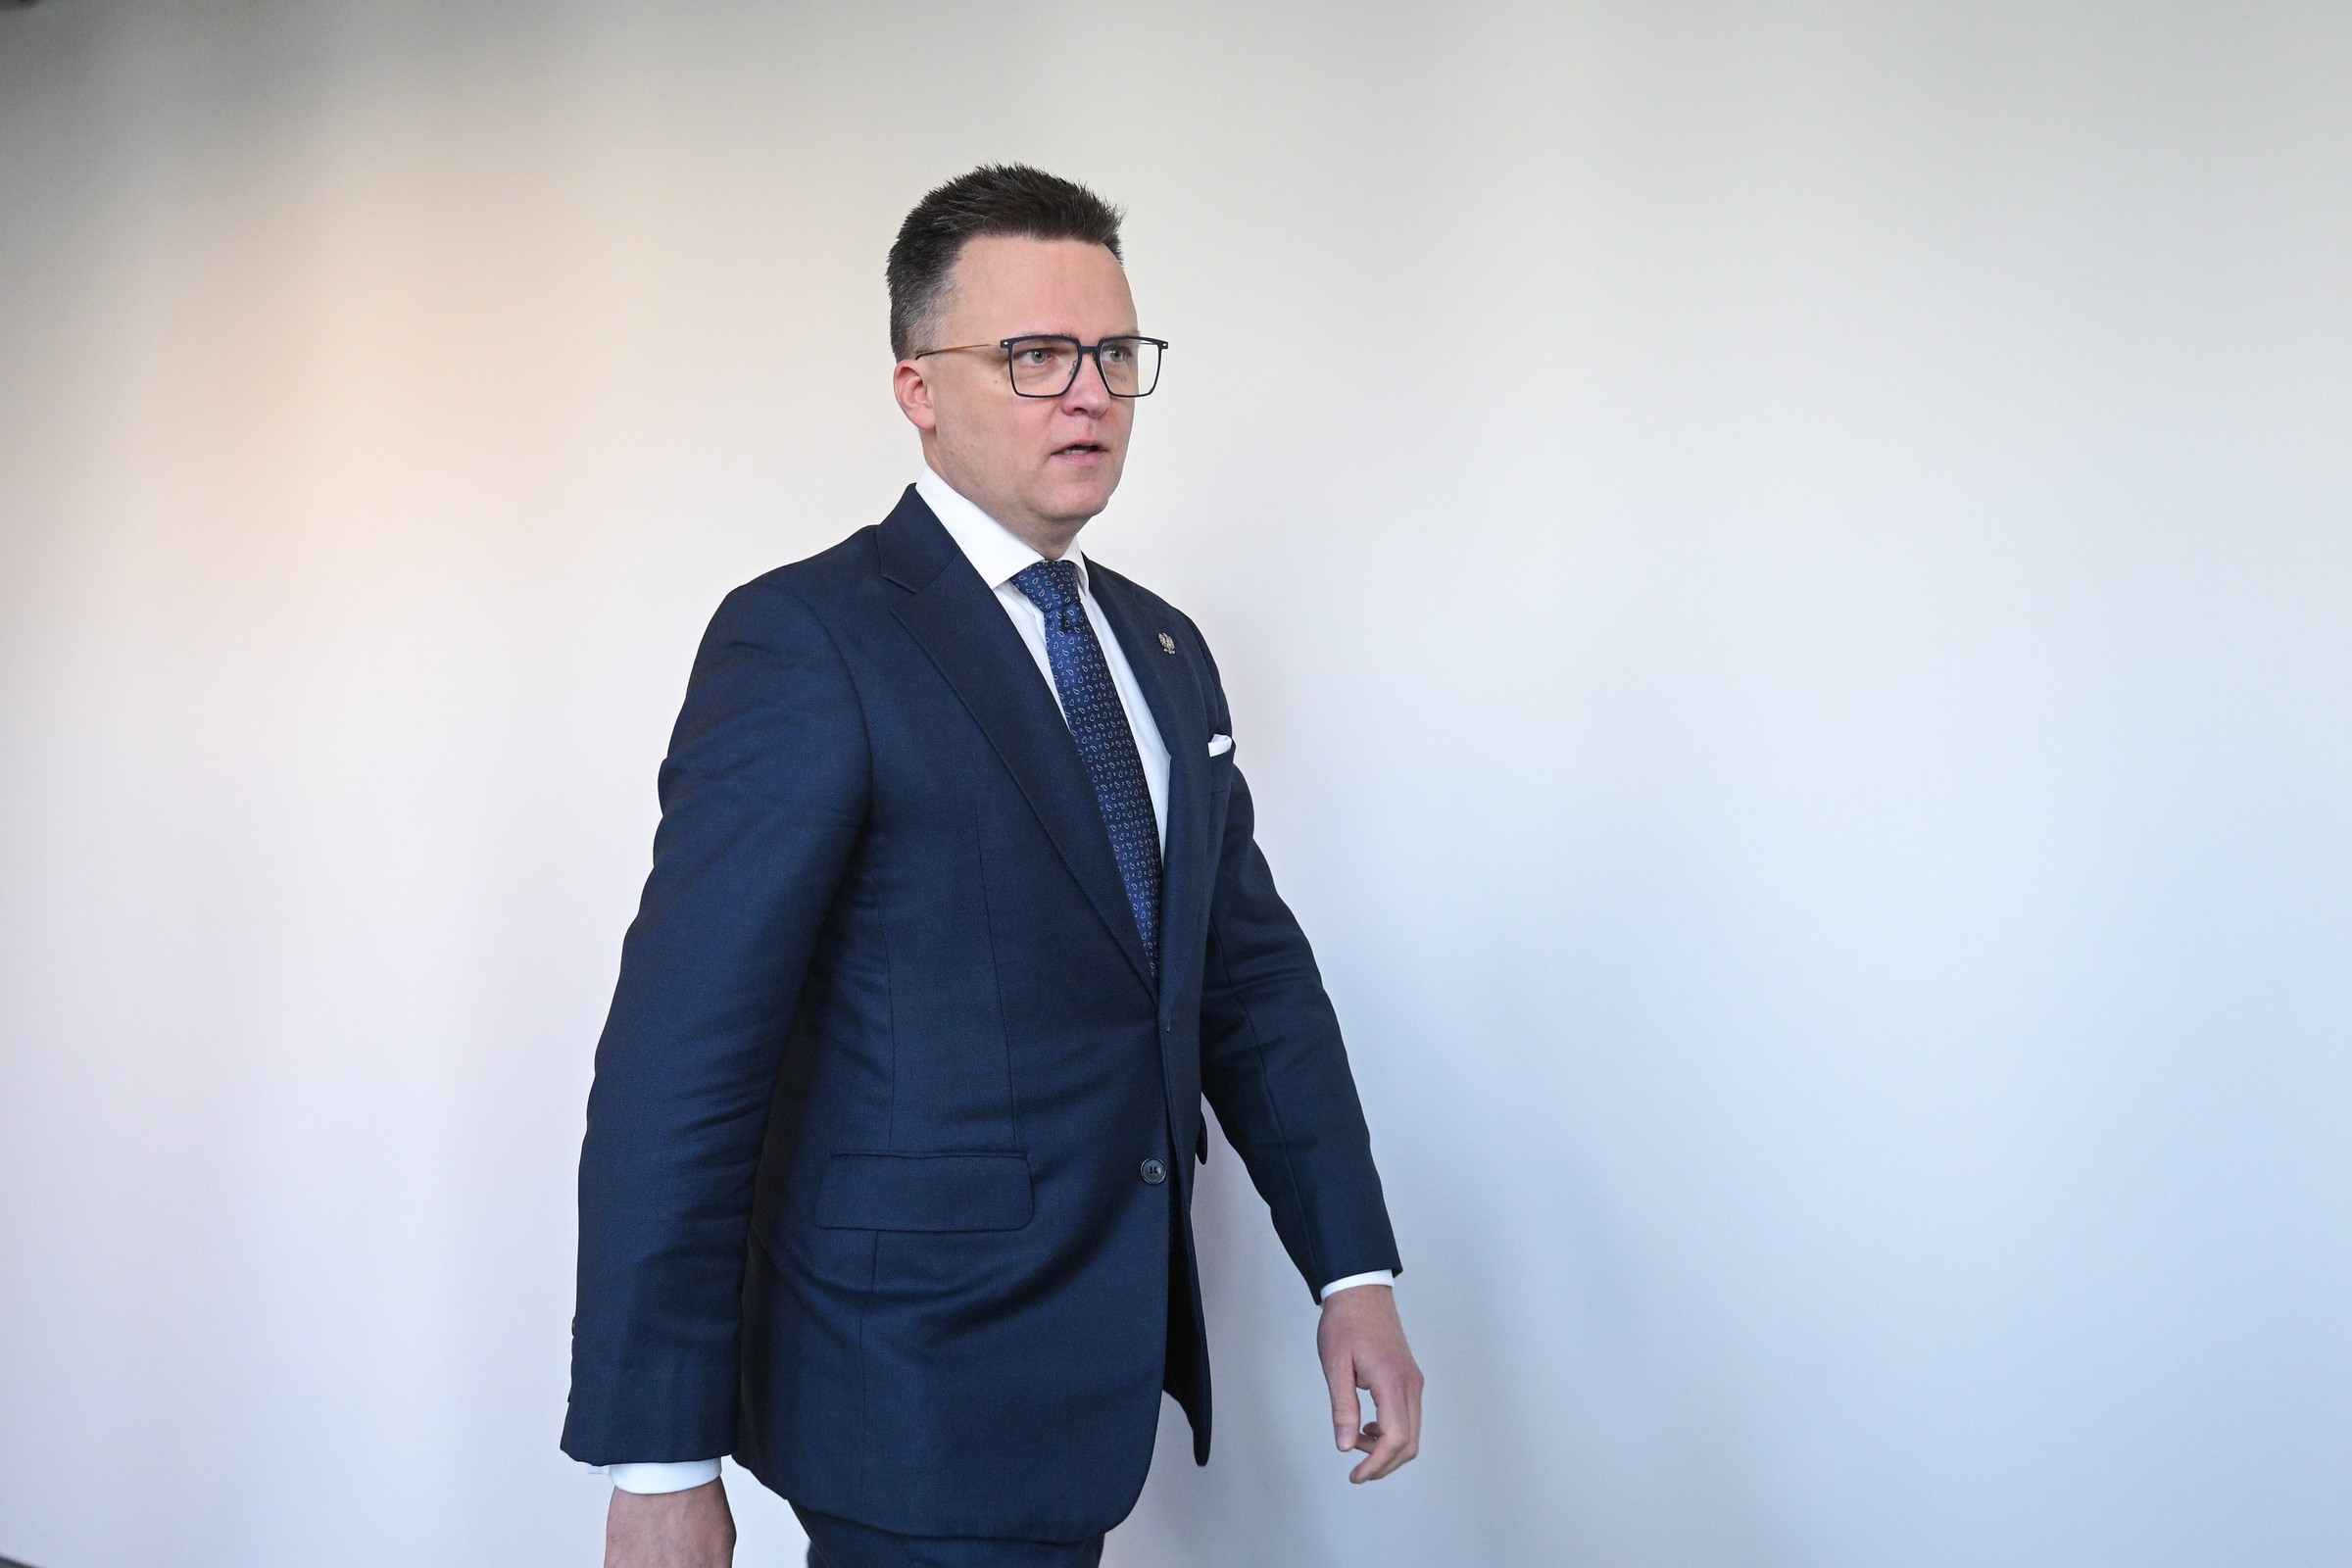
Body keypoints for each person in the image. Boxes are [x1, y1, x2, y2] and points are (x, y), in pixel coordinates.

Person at [563, 164, 1422, 1568]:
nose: (1088, 394)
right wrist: (657, 1456)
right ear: (918, 388)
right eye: (1034, 356)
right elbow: (683, 1061)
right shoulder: (809, 643)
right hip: (904, 1391)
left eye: (1114, 354)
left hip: (1094, 1378)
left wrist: (1353, 1269)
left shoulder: (1161, 649)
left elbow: (1247, 983)